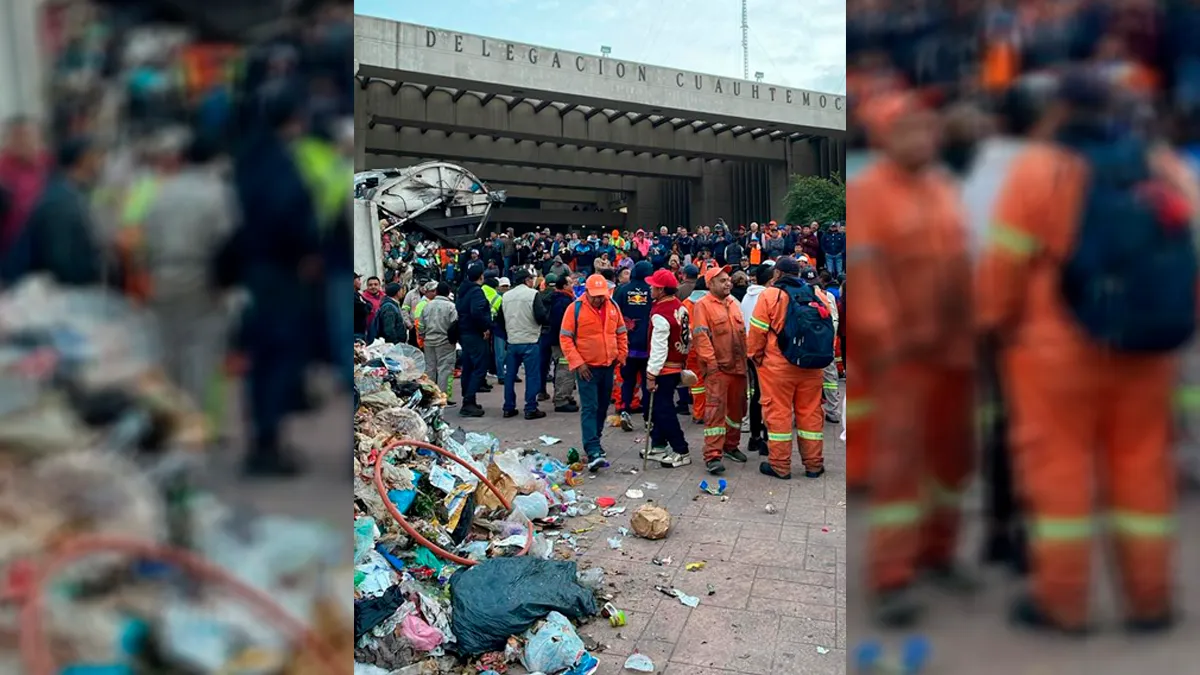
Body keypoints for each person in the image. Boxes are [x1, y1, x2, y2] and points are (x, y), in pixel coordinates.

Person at [976, 74, 1199, 633]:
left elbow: (1005, 268)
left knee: (1060, 474)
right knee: (1145, 472)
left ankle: (1064, 604)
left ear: (1058, 112)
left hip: (1056, 351)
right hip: (1148, 350)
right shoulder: (1163, 166)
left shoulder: (1039, 170)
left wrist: (993, 324)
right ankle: (1150, 602)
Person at [850, 92, 975, 627]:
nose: (923, 139)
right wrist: (887, 343)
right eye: (909, 129)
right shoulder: (869, 195)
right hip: (903, 358)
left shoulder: (943, 188)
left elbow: (965, 265)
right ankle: (893, 575)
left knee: (951, 463)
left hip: (953, 354)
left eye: (928, 128)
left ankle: (939, 552)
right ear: (885, 136)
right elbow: (865, 277)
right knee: (900, 468)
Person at [747, 256, 827, 480]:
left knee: (778, 414)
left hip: (778, 368)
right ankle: (813, 465)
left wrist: (756, 358)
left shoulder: (770, 295)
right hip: (812, 366)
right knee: (810, 415)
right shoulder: (818, 294)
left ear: (777, 274)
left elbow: (756, 333)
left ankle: (780, 466)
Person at [1, 136, 106, 286]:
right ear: (84, 160)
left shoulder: (68, 192)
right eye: (98, 156)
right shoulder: (62, 202)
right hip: (37, 290)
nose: (102, 163)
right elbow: (63, 264)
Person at [559, 273, 628, 471]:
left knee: (602, 406)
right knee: (590, 407)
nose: (599, 299)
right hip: (586, 369)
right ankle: (593, 449)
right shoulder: (575, 309)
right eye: (596, 295)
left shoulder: (613, 306)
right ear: (587, 292)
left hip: (608, 366)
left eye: (602, 295)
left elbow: (621, 332)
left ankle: (595, 440)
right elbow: (565, 338)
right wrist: (578, 363)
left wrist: (621, 355)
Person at [690, 265, 749, 474]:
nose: (728, 283)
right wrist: (711, 365)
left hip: (738, 368)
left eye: (728, 280)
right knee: (715, 413)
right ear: (711, 284)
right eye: (723, 280)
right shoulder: (703, 306)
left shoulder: (734, 303)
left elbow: (742, 335)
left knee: (737, 411)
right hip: (718, 369)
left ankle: (731, 446)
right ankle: (713, 455)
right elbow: (701, 337)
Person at [643, 269, 692, 467]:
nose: (650, 288)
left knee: (663, 409)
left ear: (661, 290)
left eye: (653, 285)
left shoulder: (660, 314)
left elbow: (659, 347)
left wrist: (651, 374)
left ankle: (681, 450)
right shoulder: (680, 307)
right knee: (660, 407)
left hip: (664, 368)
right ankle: (658, 444)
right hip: (677, 362)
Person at [500, 268, 549, 419]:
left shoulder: (506, 296)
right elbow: (541, 316)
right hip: (530, 340)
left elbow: (500, 320)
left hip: (512, 340)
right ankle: (530, 408)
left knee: (510, 376)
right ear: (527, 280)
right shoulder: (533, 294)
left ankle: (508, 407)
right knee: (532, 375)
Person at [615, 260, 654, 431]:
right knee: (648, 382)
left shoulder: (622, 290)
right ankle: (648, 418)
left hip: (627, 344)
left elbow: (614, 314)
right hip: (647, 344)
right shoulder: (652, 291)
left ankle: (624, 411)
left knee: (628, 380)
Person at [741, 263, 774, 456]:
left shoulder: (747, 296)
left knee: (756, 394)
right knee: (767, 396)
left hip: (749, 351)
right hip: (764, 353)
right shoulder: (767, 297)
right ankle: (766, 439)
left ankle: (754, 437)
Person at [803, 268, 842, 425]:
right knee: (829, 378)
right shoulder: (827, 296)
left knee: (809, 380)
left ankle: (810, 412)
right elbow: (834, 319)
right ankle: (832, 411)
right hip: (825, 345)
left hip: (809, 346)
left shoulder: (799, 294)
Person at [456, 264, 492, 417]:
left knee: (469, 367)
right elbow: (477, 311)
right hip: (475, 334)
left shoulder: (463, 291)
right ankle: (469, 401)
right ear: (481, 277)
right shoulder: (476, 292)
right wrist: (484, 328)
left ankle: (468, 398)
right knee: (480, 367)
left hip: (465, 333)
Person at [544, 274, 580, 412]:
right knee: (565, 369)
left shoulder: (560, 298)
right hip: (562, 341)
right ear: (564, 286)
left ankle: (564, 394)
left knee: (564, 368)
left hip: (559, 339)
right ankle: (561, 399)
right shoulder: (563, 301)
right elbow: (562, 323)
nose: (573, 285)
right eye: (570, 283)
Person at [421, 281, 458, 404]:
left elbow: (420, 325)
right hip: (445, 342)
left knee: (430, 369)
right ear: (448, 293)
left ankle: (430, 396)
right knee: (444, 370)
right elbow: (454, 325)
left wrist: (423, 335)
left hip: (429, 341)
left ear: (436, 292)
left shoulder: (427, 306)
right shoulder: (451, 307)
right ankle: (442, 397)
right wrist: (454, 340)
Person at [353, 273, 370, 339]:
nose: (360, 283)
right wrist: (365, 305)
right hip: (356, 333)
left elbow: (369, 304)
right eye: (359, 280)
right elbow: (364, 309)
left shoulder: (357, 294)